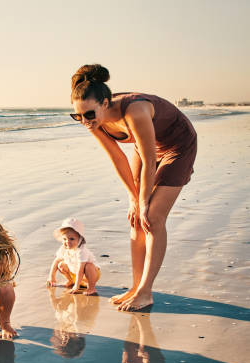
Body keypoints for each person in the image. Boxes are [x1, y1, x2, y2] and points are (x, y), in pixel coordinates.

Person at [70, 64, 197, 311]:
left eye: (88, 114)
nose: (84, 121)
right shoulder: (94, 121)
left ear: (105, 103)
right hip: (146, 148)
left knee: (151, 217)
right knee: (135, 218)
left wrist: (144, 201)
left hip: (177, 147)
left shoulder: (135, 110)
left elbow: (151, 160)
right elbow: (117, 158)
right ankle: (136, 286)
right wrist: (133, 198)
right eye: (78, 116)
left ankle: (146, 292)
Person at [46, 217, 101, 296]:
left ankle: (91, 288)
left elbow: (80, 269)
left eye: (72, 239)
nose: (67, 242)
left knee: (88, 266)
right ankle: (71, 280)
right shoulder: (64, 248)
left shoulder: (81, 251)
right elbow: (56, 261)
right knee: (60, 264)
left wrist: (76, 286)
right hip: (75, 274)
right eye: (64, 239)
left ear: (80, 239)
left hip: (90, 275)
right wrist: (51, 277)